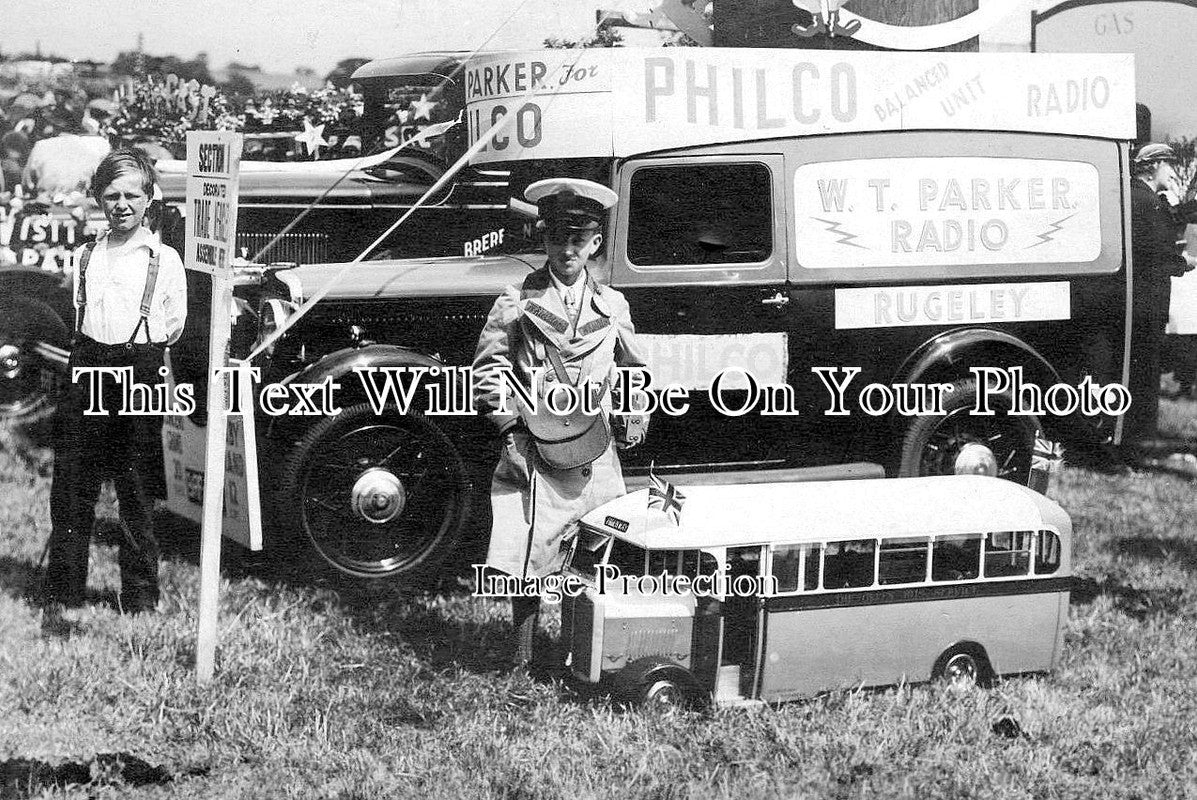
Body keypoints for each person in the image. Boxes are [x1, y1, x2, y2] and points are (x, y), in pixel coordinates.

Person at [473, 177, 648, 672]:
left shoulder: (613, 305)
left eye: (579, 240)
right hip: (534, 444)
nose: (567, 250)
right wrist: (507, 428)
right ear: (544, 240)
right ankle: (522, 660)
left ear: (594, 244)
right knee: (530, 553)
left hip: (594, 447)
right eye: (557, 239)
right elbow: (489, 368)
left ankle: (577, 651)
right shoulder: (515, 300)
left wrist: (635, 410)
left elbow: (633, 366)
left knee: (592, 549)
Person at [42, 149, 187, 613]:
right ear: (98, 200)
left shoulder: (163, 260)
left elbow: (173, 324)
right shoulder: (85, 257)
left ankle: (141, 598)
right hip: (87, 369)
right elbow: (76, 313)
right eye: (111, 195)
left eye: (131, 195)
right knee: (71, 488)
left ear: (149, 199)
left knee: (138, 490)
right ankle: (65, 592)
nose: (121, 204)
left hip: (138, 371)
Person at [1124, 143, 1197, 457]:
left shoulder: (1139, 197)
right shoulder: (1148, 202)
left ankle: (1135, 442)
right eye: (1169, 165)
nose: (1172, 172)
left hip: (1138, 302)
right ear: (1154, 166)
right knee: (1143, 377)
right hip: (1146, 304)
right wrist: (1185, 263)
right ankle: (1138, 444)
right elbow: (1156, 256)